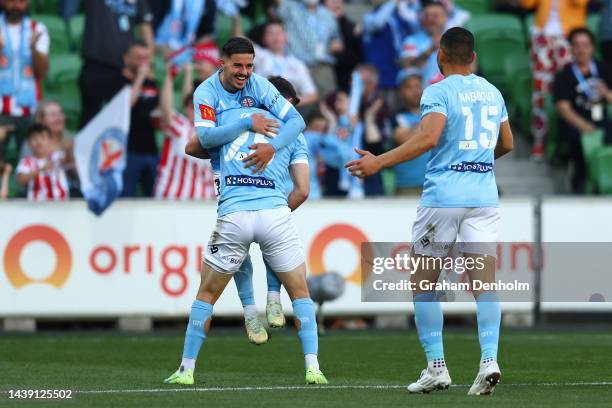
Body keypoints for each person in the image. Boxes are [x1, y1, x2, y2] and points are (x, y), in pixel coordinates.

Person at [346, 27, 514, 395]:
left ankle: (436, 366)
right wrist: (478, 162)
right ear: (473, 57)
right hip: (484, 196)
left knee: (424, 283)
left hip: (444, 197)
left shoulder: (437, 91)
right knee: (483, 284)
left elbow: (428, 137)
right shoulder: (492, 91)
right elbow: (507, 143)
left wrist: (379, 163)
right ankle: (489, 360)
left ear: (440, 56)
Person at [164, 84, 325, 386]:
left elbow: (192, 145)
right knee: (301, 293)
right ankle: (313, 367)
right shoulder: (292, 132)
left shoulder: (227, 118)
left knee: (207, 294)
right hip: (274, 214)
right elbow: (303, 190)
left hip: (234, 214)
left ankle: (187, 369)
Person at [521, 0, 588, 159]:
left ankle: (570, 143)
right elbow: (527, 4)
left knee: (572, 89)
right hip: (542, 37)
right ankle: (539, 142)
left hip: (569, 38)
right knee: (540, 92)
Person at [553, 28, 612, 194]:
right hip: (576, 124)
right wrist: (585, 126)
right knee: (578, 142)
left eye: (585, 45)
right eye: (577, 45)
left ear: (592, 47)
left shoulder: (605, 69)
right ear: (571, 49)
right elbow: (563, 109)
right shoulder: (563, 75)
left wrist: (606, 93)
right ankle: (580, 184)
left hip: (602, 120)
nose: (581, 49)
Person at [79, 0, 153, 127]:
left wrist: (149, 62)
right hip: (96, 64)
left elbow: (145, 27)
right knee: (91, 119)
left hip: (123, 70)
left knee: (125, 118)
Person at [154, 63, 215, 200]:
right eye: (191, 107)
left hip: (204, 203)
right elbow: (167, 108)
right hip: (173, 198)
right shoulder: (181, 126)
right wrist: (169, 77)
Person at [0, 0, 50, 163]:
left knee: (31, 163)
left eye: (20, 1)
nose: (15, 5)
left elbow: (42, 72)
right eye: (11, 0)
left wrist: (34, 49)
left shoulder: (37, 29)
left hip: (28, 110)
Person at [274, 0, 343, 97]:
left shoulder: (328, 14)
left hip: (323, 66)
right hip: (298, 65)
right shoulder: (290, 8)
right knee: (299, 103)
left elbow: (337, 38)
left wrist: (336, 44)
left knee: (328, 101)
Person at [120, 41, 160, 198]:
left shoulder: (151, 83)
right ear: (126, 59)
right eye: (138, 58)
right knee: (125, 199)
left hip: (151, 150)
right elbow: (126, 106)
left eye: (146, 58)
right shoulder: (119, 81)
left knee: (156, 199)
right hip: (128, 150)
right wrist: (141, 77)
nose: (143, 62)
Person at [251, 20, 319, 107]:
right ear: (264, 39)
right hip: (262, 105)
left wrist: (289, 103)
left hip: (291, 109)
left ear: (285, 37)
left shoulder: (297, 64)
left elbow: (312, 95)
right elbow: (240, 42)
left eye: (278, 33)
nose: (275, 38)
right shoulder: (259, 55)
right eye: (271, 34)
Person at [392, 68, 429, 195]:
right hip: (408, 186)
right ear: (400, 91)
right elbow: (404, 138)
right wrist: (433, 120)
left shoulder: (433, 114)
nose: (415, 91)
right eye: (409, 87)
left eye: (418, 86)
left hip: (437, 185)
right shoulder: (395, 117)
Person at [16, 124, 71, 201]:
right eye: (35, 138)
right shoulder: (26, 161)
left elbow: (67, 160)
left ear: (50, 141)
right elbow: (20, 180)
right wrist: (41, 169)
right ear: (28, 143)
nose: (39, 142)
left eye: (42, 137)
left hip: (61, 204)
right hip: (36, 207)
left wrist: (69, 150)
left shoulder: (57, 156)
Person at [401, 0, 448, 86]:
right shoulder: (411, 40)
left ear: (445, 17)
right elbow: (408, 67)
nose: (430, 19)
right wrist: (431, 49)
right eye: (426, 16)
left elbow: (470, 68)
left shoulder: (455, 39)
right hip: (424, 96)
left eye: (435, 16)